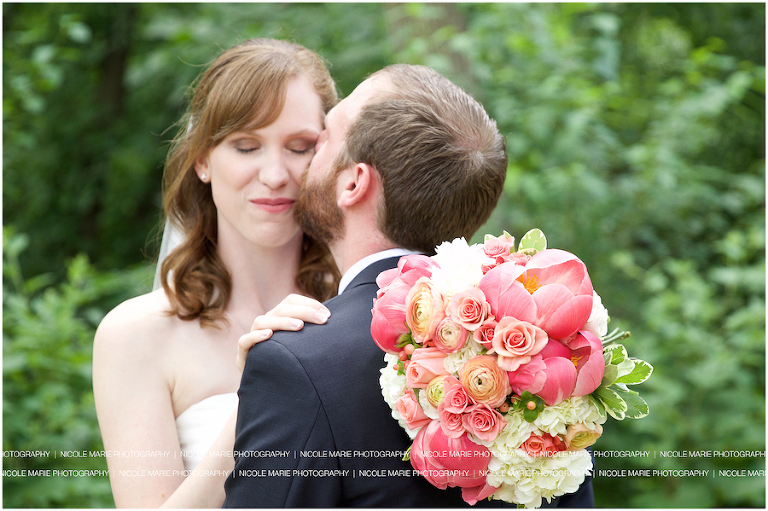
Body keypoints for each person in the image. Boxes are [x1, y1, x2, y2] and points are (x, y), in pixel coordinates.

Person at [223, 64, 590, 507]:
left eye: (324, 139)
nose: (308, 156)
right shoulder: (551, 357)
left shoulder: (295, 364)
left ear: (354, 182)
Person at [92, 38, 340, 508]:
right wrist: (260, 395)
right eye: (246, 146)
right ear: (203, 160)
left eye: (300, 147)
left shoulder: (368, 308)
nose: (274, 175)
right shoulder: (135, 336)